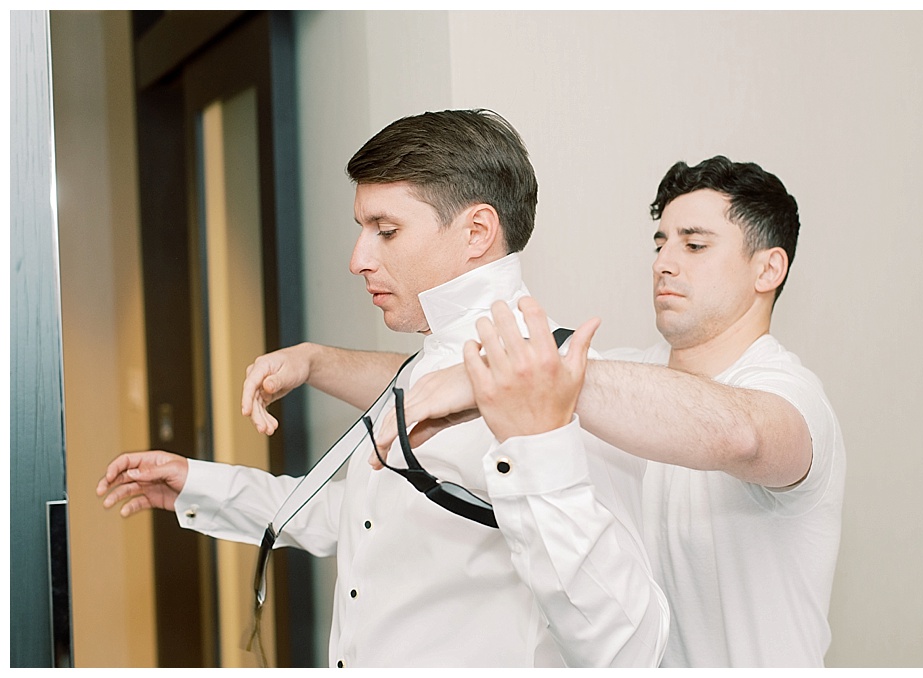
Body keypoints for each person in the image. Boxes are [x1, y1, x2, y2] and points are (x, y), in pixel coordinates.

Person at [95, 109, 667, 667]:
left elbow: (626, 646)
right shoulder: (425, 364)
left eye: (385, 231)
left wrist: (540, 443)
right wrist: (197, 484)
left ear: (477, 231)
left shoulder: (554, 386)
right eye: (361, 230)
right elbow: (365, 520)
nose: (357, 260)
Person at [259, 156, 844, 667]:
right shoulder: (631, 376)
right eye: (660, 242)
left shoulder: (791, 395)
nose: (665, 262)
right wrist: (318, 363)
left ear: (769, 269)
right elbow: (431, 381)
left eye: (693, 245)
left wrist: (489, 380)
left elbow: (740, 434)